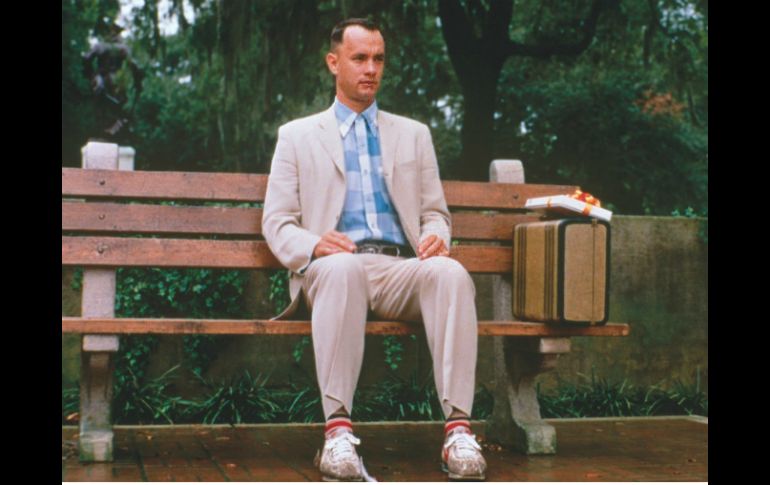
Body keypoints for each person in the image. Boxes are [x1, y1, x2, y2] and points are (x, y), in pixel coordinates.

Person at [262, 18, 487, 481]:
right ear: (334, 63)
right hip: (331, 269)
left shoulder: (414, 134)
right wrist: (314, 243)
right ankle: (337, 435)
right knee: (342, 267)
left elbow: (435, 213)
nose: (371, 69)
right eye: (359, 58)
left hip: (399, 267)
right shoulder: (297, 136)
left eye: (378, 59)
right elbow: (277, 222)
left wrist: (436, 237)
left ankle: (458, 432)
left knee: (451, 274)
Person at [82, 23, 144, 143]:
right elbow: (134, 65)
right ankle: (111, 133)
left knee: (101, 109)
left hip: (101, 79)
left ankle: (106, 133)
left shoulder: (99, 46)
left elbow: (86, 58)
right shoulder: (123, 48)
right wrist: (138, 82)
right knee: (116, 109)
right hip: (116, 81)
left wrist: (91, 75)